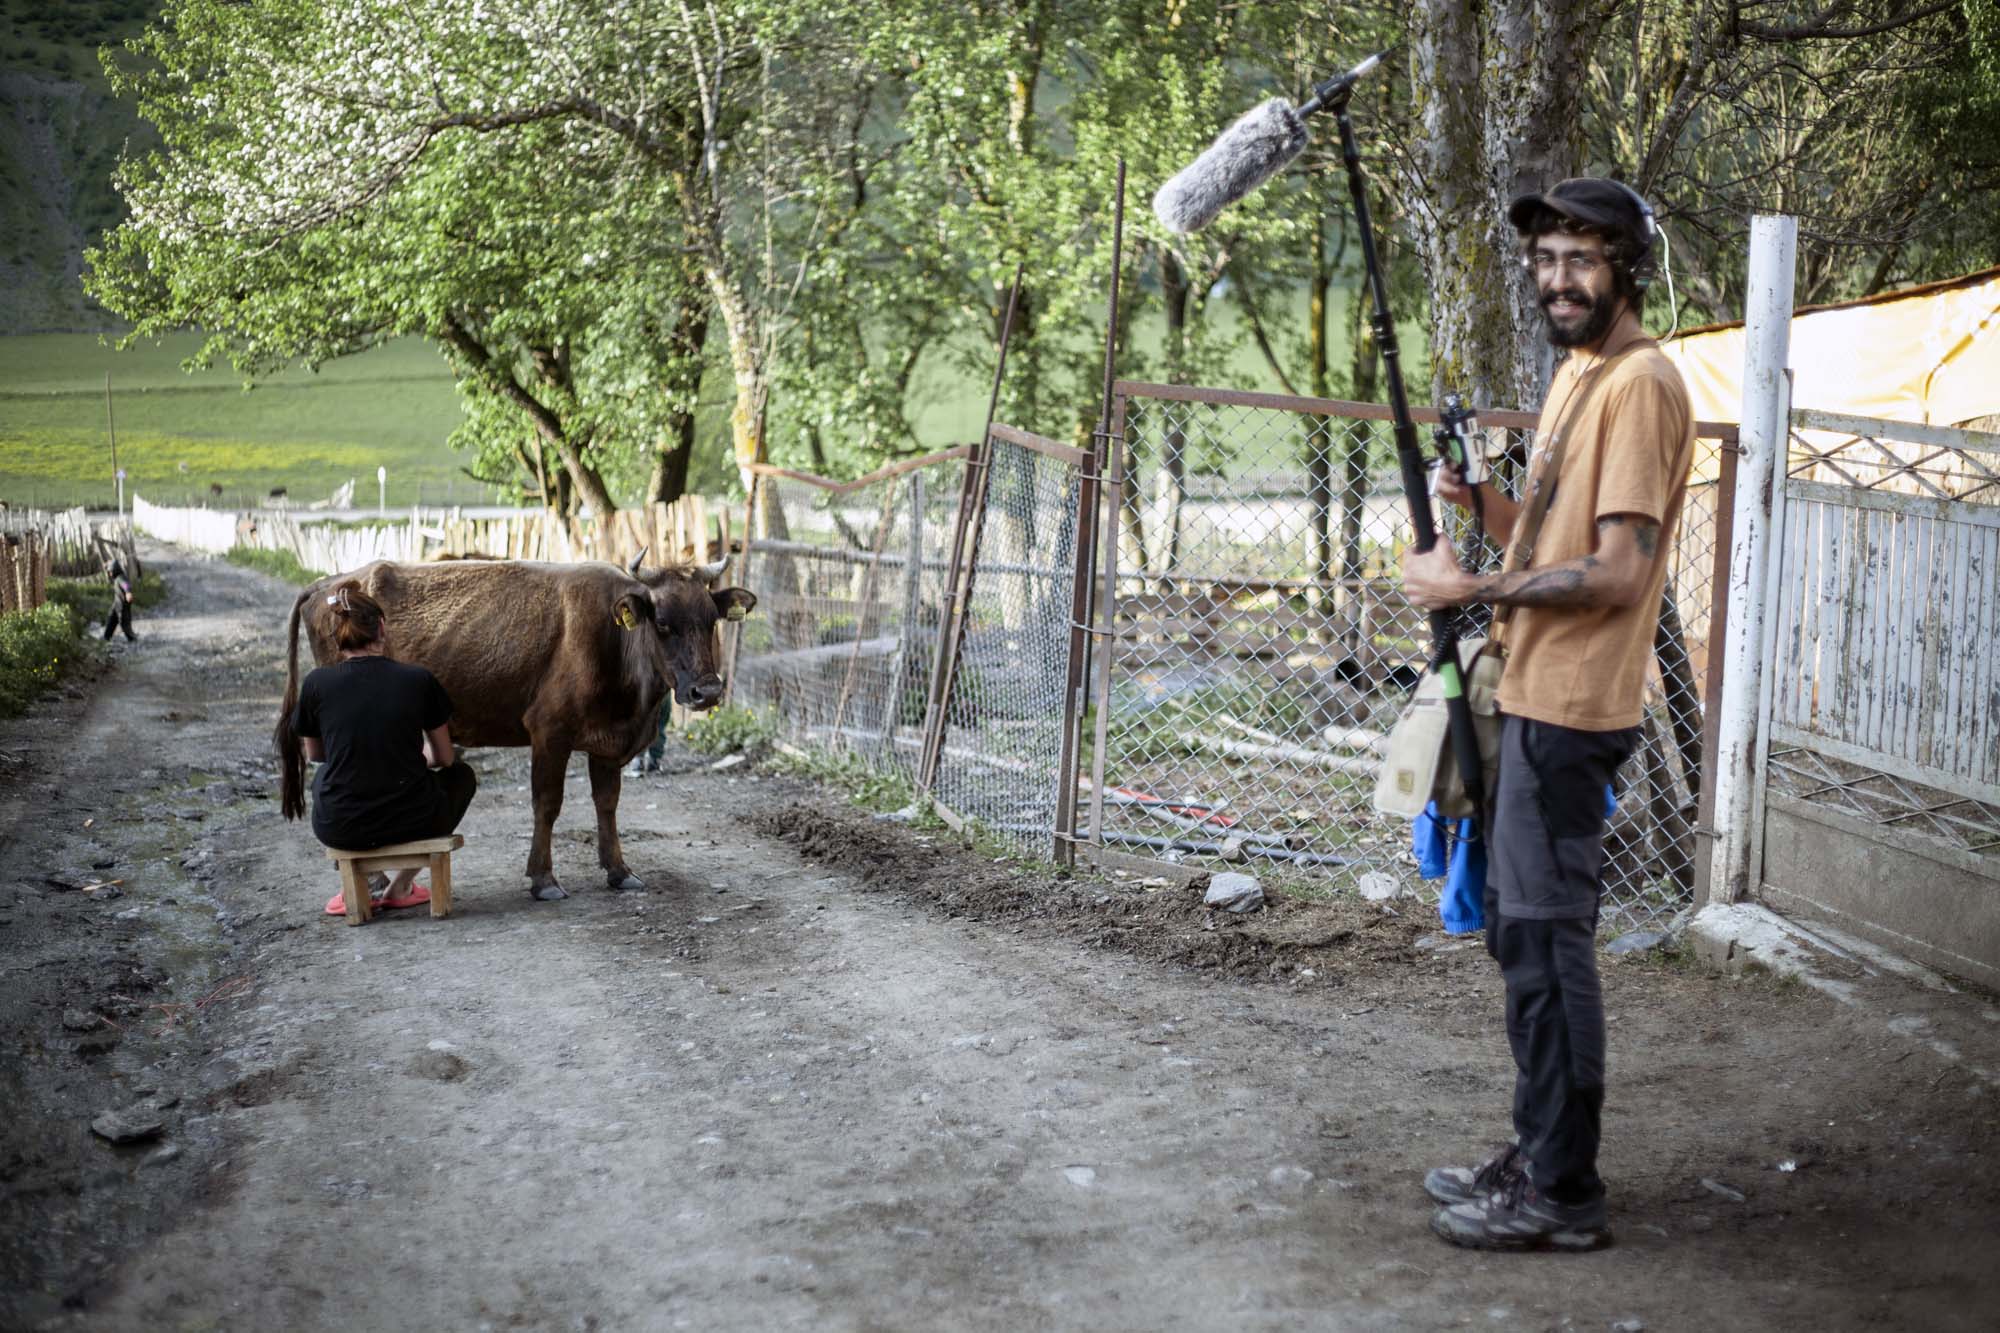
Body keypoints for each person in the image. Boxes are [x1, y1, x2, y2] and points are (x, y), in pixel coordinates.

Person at [1398, 177, 1696, 1251]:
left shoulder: (1640, 386)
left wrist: (1467, 587)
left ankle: (1563, 1192)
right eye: (1544, 260)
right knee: (1518, 934)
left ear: (1626, 267)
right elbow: (1552, 538)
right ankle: (1539, 1149)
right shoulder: (1578, 372)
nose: (1557, 280)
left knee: (1546, 940)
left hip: (1573, 708)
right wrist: (1477, 505)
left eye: (1581, 258)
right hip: (1527, 690)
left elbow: (1616, 573)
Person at [289, 581, 477, 913]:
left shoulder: (316, 683)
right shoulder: (418, 679)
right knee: (462, 777)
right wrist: (409, 757)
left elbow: (316, 755)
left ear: (338, 634)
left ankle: (357, 887)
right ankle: (401, 886)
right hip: (415, 820)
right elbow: (445, 758)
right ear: (382, 628)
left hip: (342, 826)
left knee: (325, 779)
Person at [103, 558, 137, 643]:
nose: (110, 574)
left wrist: (128, 592)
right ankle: (106, 637)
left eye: (111, 571)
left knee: (124, 622)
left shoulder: (121, 578)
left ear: (115, 570)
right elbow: (111, 564)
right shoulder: (117, 578)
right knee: (111, 619)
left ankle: (131, 638)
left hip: (122, 605)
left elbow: (125, 585)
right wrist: (107, 565)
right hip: (117, 604)